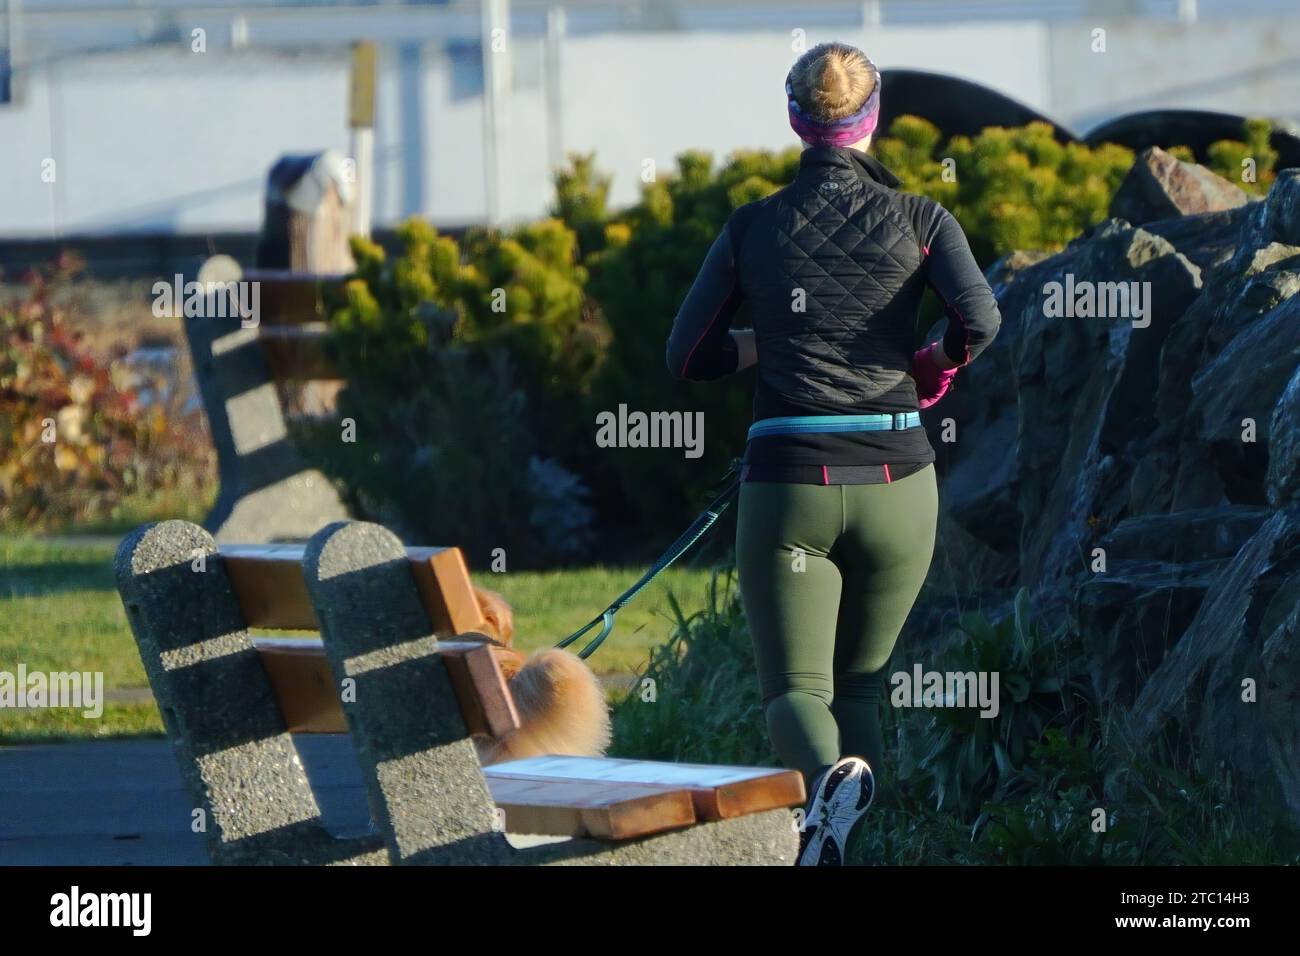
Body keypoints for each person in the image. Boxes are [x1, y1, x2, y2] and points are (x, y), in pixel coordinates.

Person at [664, 41, 1001, 866]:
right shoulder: (924, 218)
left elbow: (688, 355)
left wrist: (764, 345)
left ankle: (822, 804)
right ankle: (851, 843)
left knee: (794, 692)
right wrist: (929, 365)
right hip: (899, 481)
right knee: (862, 685)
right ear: (872, 117)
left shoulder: (753, 226)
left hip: (790, 484)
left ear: (794, 120)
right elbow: (980, 321)